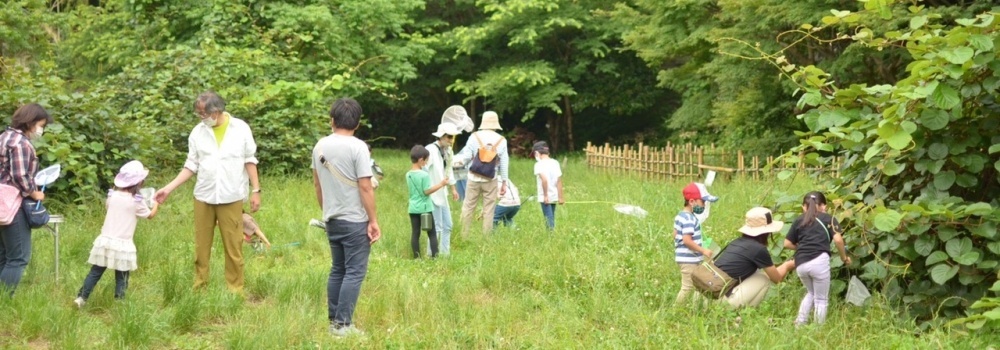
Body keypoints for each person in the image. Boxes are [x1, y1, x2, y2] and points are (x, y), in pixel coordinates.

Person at [154, 91, 261, 293]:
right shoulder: (197, 132)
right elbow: (191, 165)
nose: (201, 119)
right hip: (204, 195)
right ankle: (200, 286)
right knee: (201, 246)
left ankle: (235, 290)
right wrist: (168, 188)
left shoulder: (240, 128)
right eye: (199, 115)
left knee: (234, 246)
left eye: (204, 114)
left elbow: (250, 159)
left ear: (217, 111)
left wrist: (256, 190)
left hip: (232, 195)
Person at [312, 97, 381, 337]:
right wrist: (373, 221)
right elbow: (365, 186)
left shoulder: (319, 146)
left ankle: (334, 322)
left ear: (332, 120)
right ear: (357, 123)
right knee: (354, 272)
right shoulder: (358, 147)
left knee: (338, 269)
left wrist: (327, 211)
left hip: (332, 218)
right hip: (354, 220)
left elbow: (318, 186)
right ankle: (343, 325)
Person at [73, 161, 159, 307]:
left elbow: (109, 208)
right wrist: (156, 202)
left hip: (105, 240)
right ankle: (119, 303)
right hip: (123, 243)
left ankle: (81, 298)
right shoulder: (136, 201)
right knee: (122, 276)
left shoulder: (112, 195)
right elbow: (149, 215)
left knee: (95, 272)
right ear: (139, 182)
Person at [0, 103, 52, 296]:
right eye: (40, 124)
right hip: (13, 204)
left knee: (4, 255)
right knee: (18, 257)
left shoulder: (4, 137)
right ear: (30, 121)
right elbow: (20, 175)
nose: (41, 129)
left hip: (1, 204)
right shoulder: (20, 143)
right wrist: (34, 193)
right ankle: (4, 300)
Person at [784, 191, 851, 326]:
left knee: (811, 293)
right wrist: (844, 258)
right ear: (824, 206)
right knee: (821, 299)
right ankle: (818, 330)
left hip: (801, 263)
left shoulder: (798, 220)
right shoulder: (829, 219)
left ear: (804, 207)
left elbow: (787, 243)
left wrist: (803, 247)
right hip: (819, 261)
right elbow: (838, 240)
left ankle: (800, 323)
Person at [714, 207, 796, 308]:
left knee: (758, 273)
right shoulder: (758, 249)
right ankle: (746, 311)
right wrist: (787, 266)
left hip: (707, 295)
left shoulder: (736, 242)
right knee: (763, 278)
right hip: (721, 302)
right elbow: (777, 279)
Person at [454, 111, 509, 237]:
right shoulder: (501, 140)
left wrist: (457, 163)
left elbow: (466, 157)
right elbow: (504, 163)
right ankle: (486, 238)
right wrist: (504, 182)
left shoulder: (474, 137)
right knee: (489, 209)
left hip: (473, 178)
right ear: (496, 124)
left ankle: (463, 235)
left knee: (468, 206)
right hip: (491, 179)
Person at [673, 182, 719, 305]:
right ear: (692, 201)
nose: (704, 205)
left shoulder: (681, 216)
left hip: (685, 258)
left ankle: (695, 307)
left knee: (697, 284)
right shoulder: (689, 219)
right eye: (702, 202)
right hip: (689, 260)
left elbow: (675, 234)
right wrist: (703, 250)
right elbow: (687, 240)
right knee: (687, 287)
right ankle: (676, 310)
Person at [407, 145, 448, 259]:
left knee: (415, 233)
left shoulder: (408, 174)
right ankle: (435, 257)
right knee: (432, 233)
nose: (426, 163)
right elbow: (426, 191)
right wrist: (441, 184)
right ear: (421, 160)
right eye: (425, 160)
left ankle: (417, 258)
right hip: (425, 209)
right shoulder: (424, 175)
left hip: (413, 208)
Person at [425, 123, 460, 255]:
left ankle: (445, 255)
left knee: (448, 225)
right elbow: (423, 169)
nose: (451, 140)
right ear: (442, 136)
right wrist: (426, 190)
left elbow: (448, 170)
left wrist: (453, 189)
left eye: (453, 137)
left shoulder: (448, 151)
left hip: (442, 192)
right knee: (437, 227)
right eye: (449, 137)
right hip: (432, 192)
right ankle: (431, 255)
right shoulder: (430, 150)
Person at [532, 141, 563, 230]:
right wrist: (561, 197)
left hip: (545, 196)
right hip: (554, 195)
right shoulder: (555, 162)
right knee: (551, 216)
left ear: (537, 153)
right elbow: (559, 180)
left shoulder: (538, 164)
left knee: (548, 218)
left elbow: (544, 180)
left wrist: (545, 196)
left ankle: (550, 236)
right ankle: (551, 234)